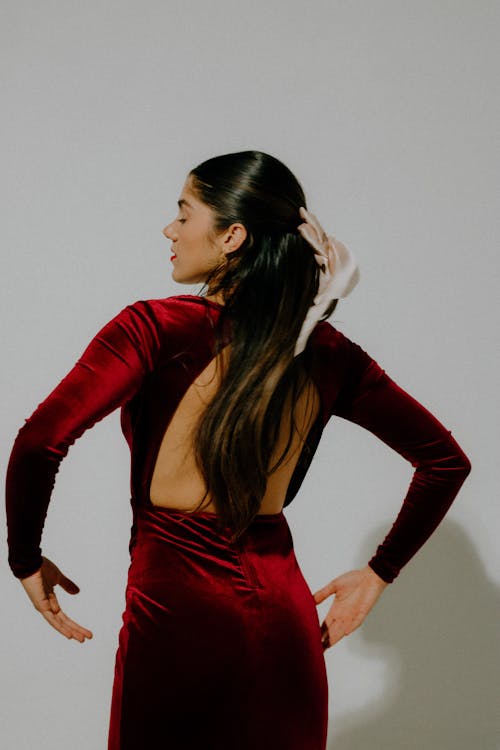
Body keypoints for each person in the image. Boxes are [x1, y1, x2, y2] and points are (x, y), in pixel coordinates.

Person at [5, 150, 472, 750]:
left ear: (232, 235)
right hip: (284, 625)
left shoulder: (153, 328)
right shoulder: (327, 352)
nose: (169, 229)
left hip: (176, 620)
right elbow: (445, 462)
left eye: (183, 212)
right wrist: (380, 572)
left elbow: (40, 440)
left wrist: (25, 557)